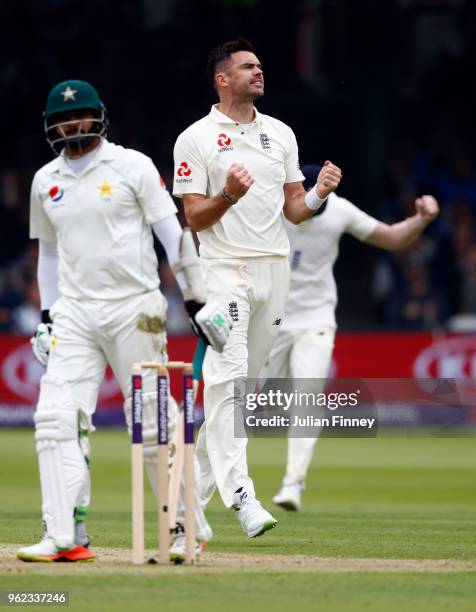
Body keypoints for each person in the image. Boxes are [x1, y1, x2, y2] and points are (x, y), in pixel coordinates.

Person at [17, 79, 230, 563]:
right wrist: (48, 318)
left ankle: (185, 525)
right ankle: (66, 535)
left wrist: (195, 299)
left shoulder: (132, 166)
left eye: (81, 116)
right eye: (63, 120)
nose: (73, 125)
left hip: (135, 309)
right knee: (54, 419)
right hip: (73, 314)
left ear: (99, 117)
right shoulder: (44, 179)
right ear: (51, 127)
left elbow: (171, 233)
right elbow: (48, 255)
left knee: (152, 421)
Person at [173, 39, 342, 537]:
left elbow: (294, 209)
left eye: (260, 65)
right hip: (222, 267)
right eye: (247, 66)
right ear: (222, 79)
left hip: (274, 269)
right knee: (225, 378)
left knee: (240, 393)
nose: (258, 71)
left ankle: (182, 509)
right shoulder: (196, 138)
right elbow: (194, 217)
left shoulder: (281, 134)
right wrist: (228, 194)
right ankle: (242, 495)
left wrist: (319, 194)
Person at [262, 164, 439, 511]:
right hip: (273, 319)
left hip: (317, 317)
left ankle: (292, 483)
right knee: (266, 399)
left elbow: (390, 237)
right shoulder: (270, 206)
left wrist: (422, 220)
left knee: (308, 395)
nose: (313, 211)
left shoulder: (339, 210)